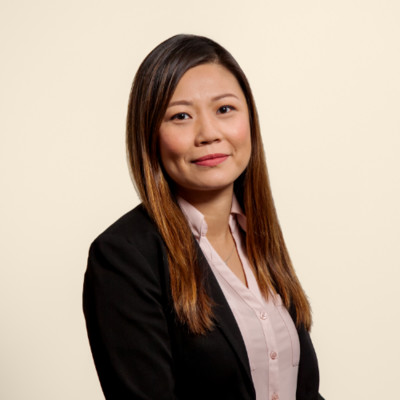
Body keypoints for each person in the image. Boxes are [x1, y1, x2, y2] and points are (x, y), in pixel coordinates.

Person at [83, 34, 324, 400]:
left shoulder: (257, 237)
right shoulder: (123, 256)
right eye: (181, 116)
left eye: (224, 109)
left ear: (250, 119)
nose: (209, 134)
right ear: (150, 135)